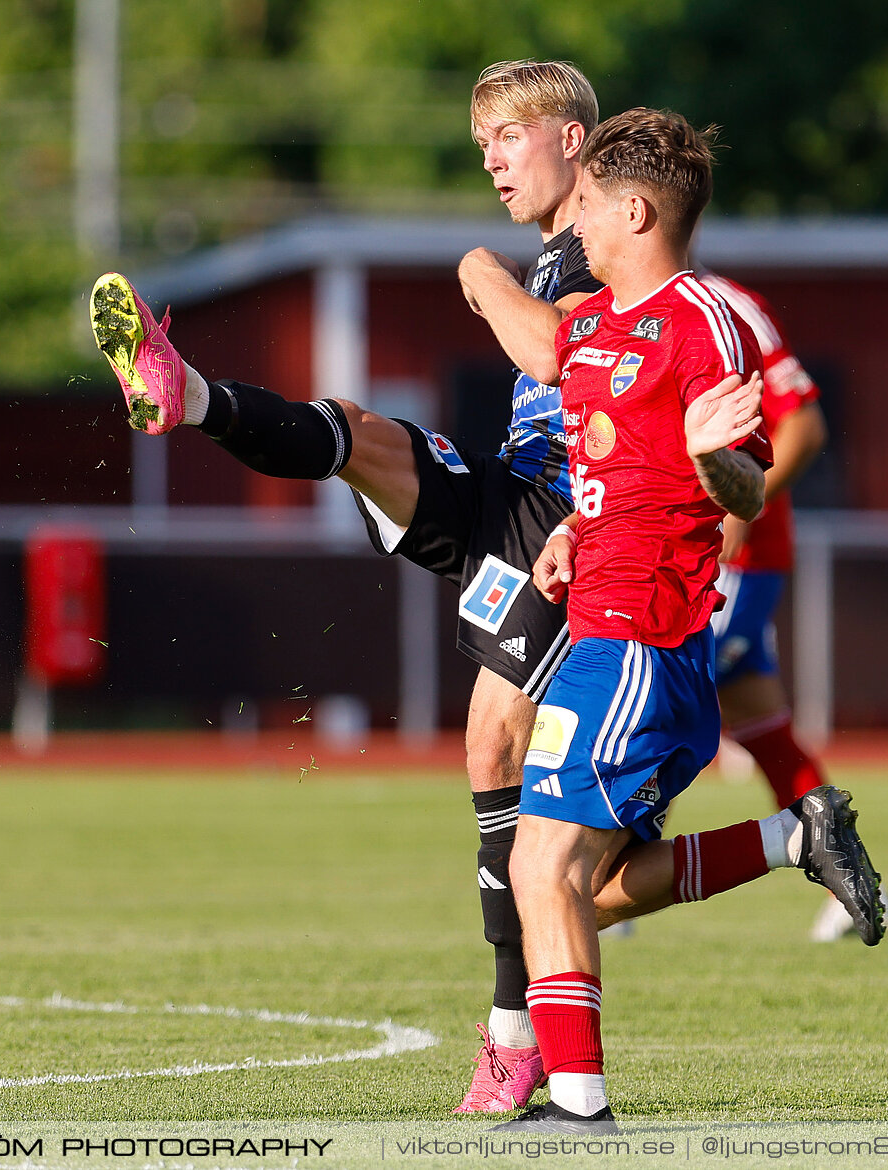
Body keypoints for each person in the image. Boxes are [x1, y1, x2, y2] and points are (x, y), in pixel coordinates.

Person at [90, 60, 604, 1114]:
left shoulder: (612, 245)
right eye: (483, 149)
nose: (493, 162)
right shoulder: (553, 254)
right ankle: (191, 399)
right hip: (513, 495)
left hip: (576, 524)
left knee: (504, 757)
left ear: (574, 139)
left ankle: (517, 1033)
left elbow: (554, 359)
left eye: (509, 137)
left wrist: (477, 273)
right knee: (356, 432)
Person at [487, 107, 885, 1135]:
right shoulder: (594, 324)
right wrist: (577, 526)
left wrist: (721, 460)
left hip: (638, 643)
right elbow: (613, 460)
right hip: (607, 625)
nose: (572, 227)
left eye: (586, 209)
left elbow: (745, 489)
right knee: (597, 887)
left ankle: (578, 1108)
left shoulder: (701, 319)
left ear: (633, 208)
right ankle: (792, 833)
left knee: (543, 869)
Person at [696, 272, 888, 941]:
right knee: (759, 723)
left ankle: (599, 876)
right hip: (673, 558)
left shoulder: (728, 306)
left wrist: (740, 499)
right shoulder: (606, 309)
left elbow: (803, 425)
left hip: (731, 560)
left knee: (652, 699)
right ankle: (849, 871)